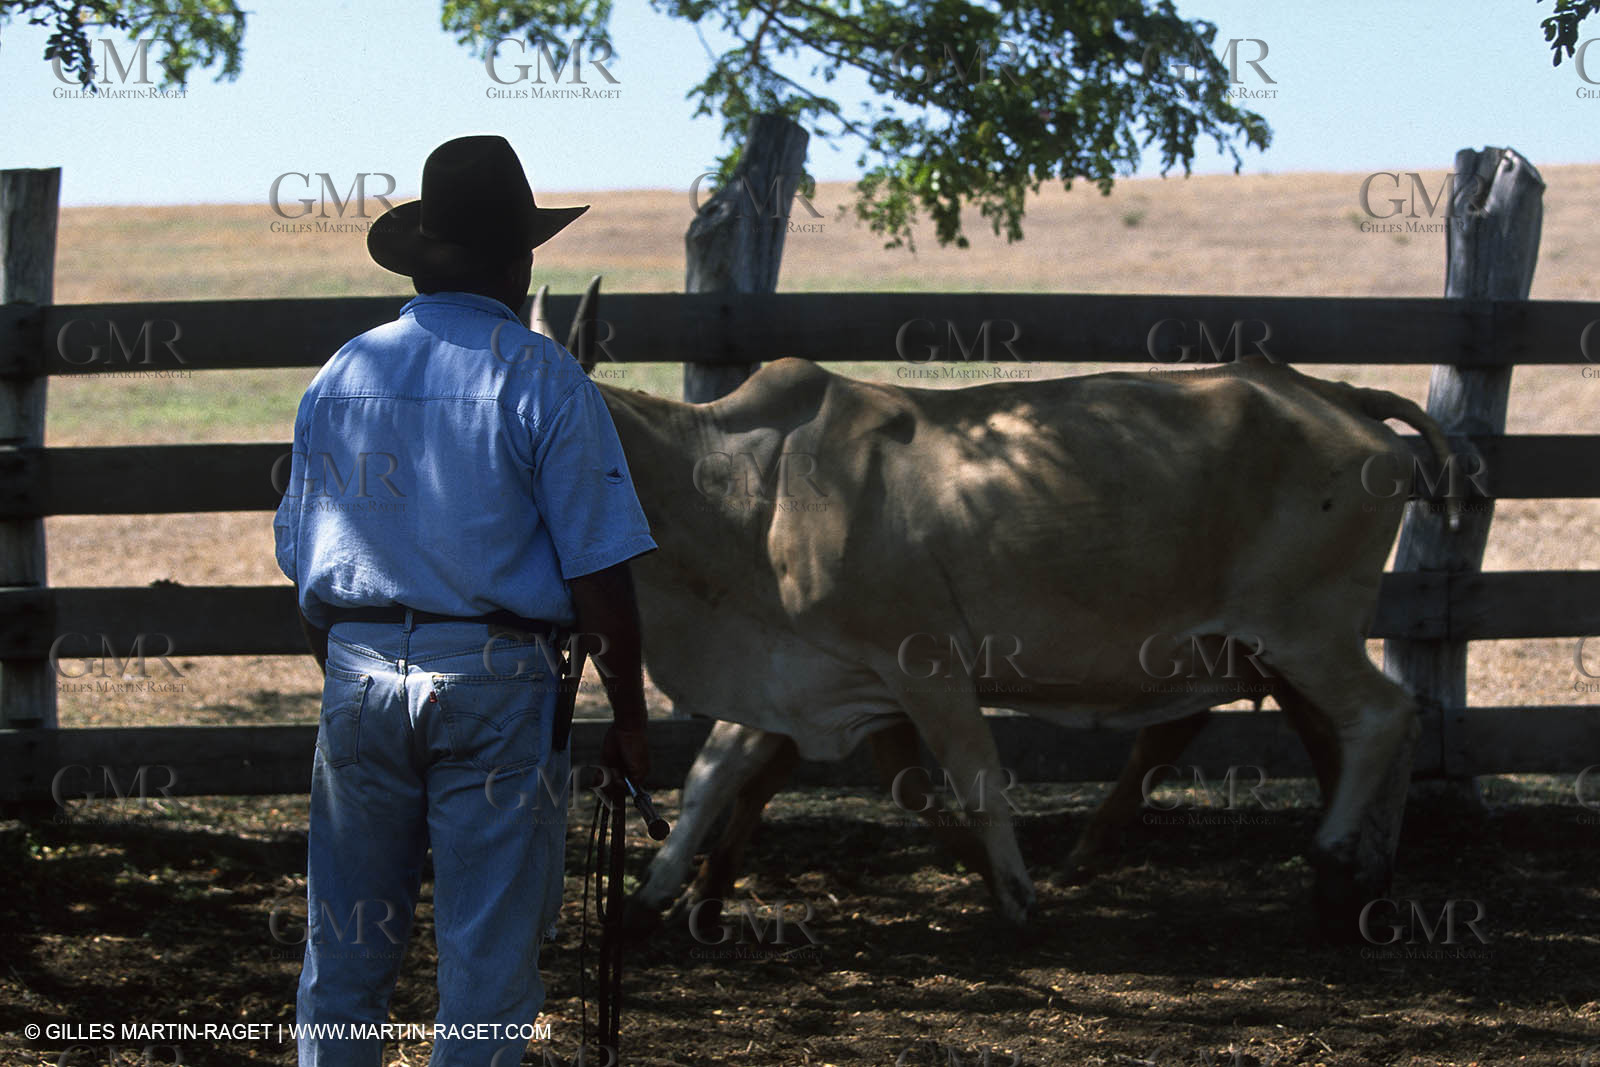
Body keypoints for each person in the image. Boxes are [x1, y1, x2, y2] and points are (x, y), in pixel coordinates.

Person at [273, 134, 655, 1067]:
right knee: (487, 953)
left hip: (361, 675)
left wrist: (361, 658)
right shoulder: (543, 379)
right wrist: (632, 711)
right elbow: (599, 569)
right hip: (495, 681)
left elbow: (303, 554)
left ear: (427, 257)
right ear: (520, 260)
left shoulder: (343, 375)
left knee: (346, 944)